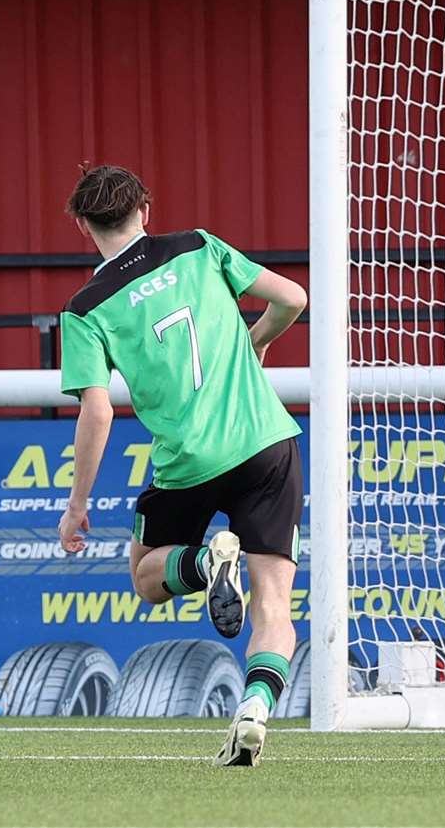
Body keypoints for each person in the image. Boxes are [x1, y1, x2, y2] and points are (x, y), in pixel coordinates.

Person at [53, 164, 307, 768]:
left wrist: (77, 504)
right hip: (265, 443)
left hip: (188, 463)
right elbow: (293, 299)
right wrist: (256, 341)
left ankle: (202, 561)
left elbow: (97, 412)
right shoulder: (196, 245)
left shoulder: (85, 307)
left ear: (85, 228)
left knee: (146, 578)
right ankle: (255, 708)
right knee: (273, 601)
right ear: (145, 209)